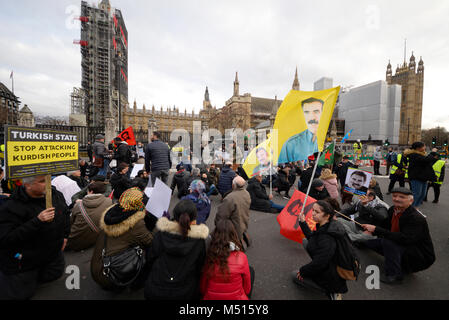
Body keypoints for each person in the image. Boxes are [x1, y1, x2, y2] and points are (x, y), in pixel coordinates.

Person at [0, 175, 70, 300]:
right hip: (24, 262)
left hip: (51, 257)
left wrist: (65, 236)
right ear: (27, 185)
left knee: (52, 278)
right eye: (42, 181)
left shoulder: (55, 195)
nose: (48, 184)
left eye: (48, 179)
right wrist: (37, 221)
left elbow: (64, 214)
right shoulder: (11, 207)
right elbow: (6, 239)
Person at [362, 187, 436, 284]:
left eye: (402, 197)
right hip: (403, 245)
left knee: (389, 243)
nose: (397, 199)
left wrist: (376, 229)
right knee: (368, 243)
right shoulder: (393, 209)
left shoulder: (416, 218)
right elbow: (385, 224)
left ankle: (394, 275)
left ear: (411, 201)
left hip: (421, 256)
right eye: (395, 196)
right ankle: (399, 263)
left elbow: (404, 239)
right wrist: (372, 230)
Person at [91, 188, 153, 291]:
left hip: (98, 266)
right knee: (151, 253)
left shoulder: (113, 212)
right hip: (112, 273)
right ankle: (136, 284)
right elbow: (150, 242)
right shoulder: (136, 223)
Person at [144, 200, 209, 300]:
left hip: (156, 289)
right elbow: (200, 267)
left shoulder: (161, 234)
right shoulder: (199, 241)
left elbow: (150, 258)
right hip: (186, 292)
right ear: (194, 220)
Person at [293, 200, 348, 300]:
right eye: (313, 210)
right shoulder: (328, 225)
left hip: (331, 277)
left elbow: (321, 262)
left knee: (295, 275)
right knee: (306, 241)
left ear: (327, 215)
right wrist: (303, 222)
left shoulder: (327, 237)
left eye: (317, 212)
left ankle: (330, 291)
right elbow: (312, 238)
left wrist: (303, 271)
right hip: (330, 265)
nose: (313, 213)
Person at [200, 219, 254, 300]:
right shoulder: (242, 257)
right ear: (234, 234)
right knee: (251, 271)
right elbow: (247, 289)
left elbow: (203, 288)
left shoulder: (210, 256)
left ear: (215, 235)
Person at [66, 181, 113, 251]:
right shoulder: (109, 202)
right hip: (96, 238)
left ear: (90, 192)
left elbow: (70, 223)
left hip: (75, 242)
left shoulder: (79, 206)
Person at [278, 98, 323, 163]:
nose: (311, 117)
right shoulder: (290, 144)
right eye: (307, 112)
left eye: (316, 111)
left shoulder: (321, 141)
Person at [215, 176, 252, 249]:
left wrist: (217, 226)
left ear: (233, 185)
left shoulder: (230, 198)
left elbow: (221, 215)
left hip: (233, 228)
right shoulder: (247, 193)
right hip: (243, 223)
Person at [404, 142, 436, 207]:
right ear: (418, 148)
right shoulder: (413, 155)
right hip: (416, 177)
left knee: (422, 195)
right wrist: (432, 153)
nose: (425, 147)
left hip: (423, 177)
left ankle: (415, 209)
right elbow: (426, 160)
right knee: (416, 194)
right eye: (424, 146)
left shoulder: (421, 154)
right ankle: (411, 210)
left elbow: (428, 162)